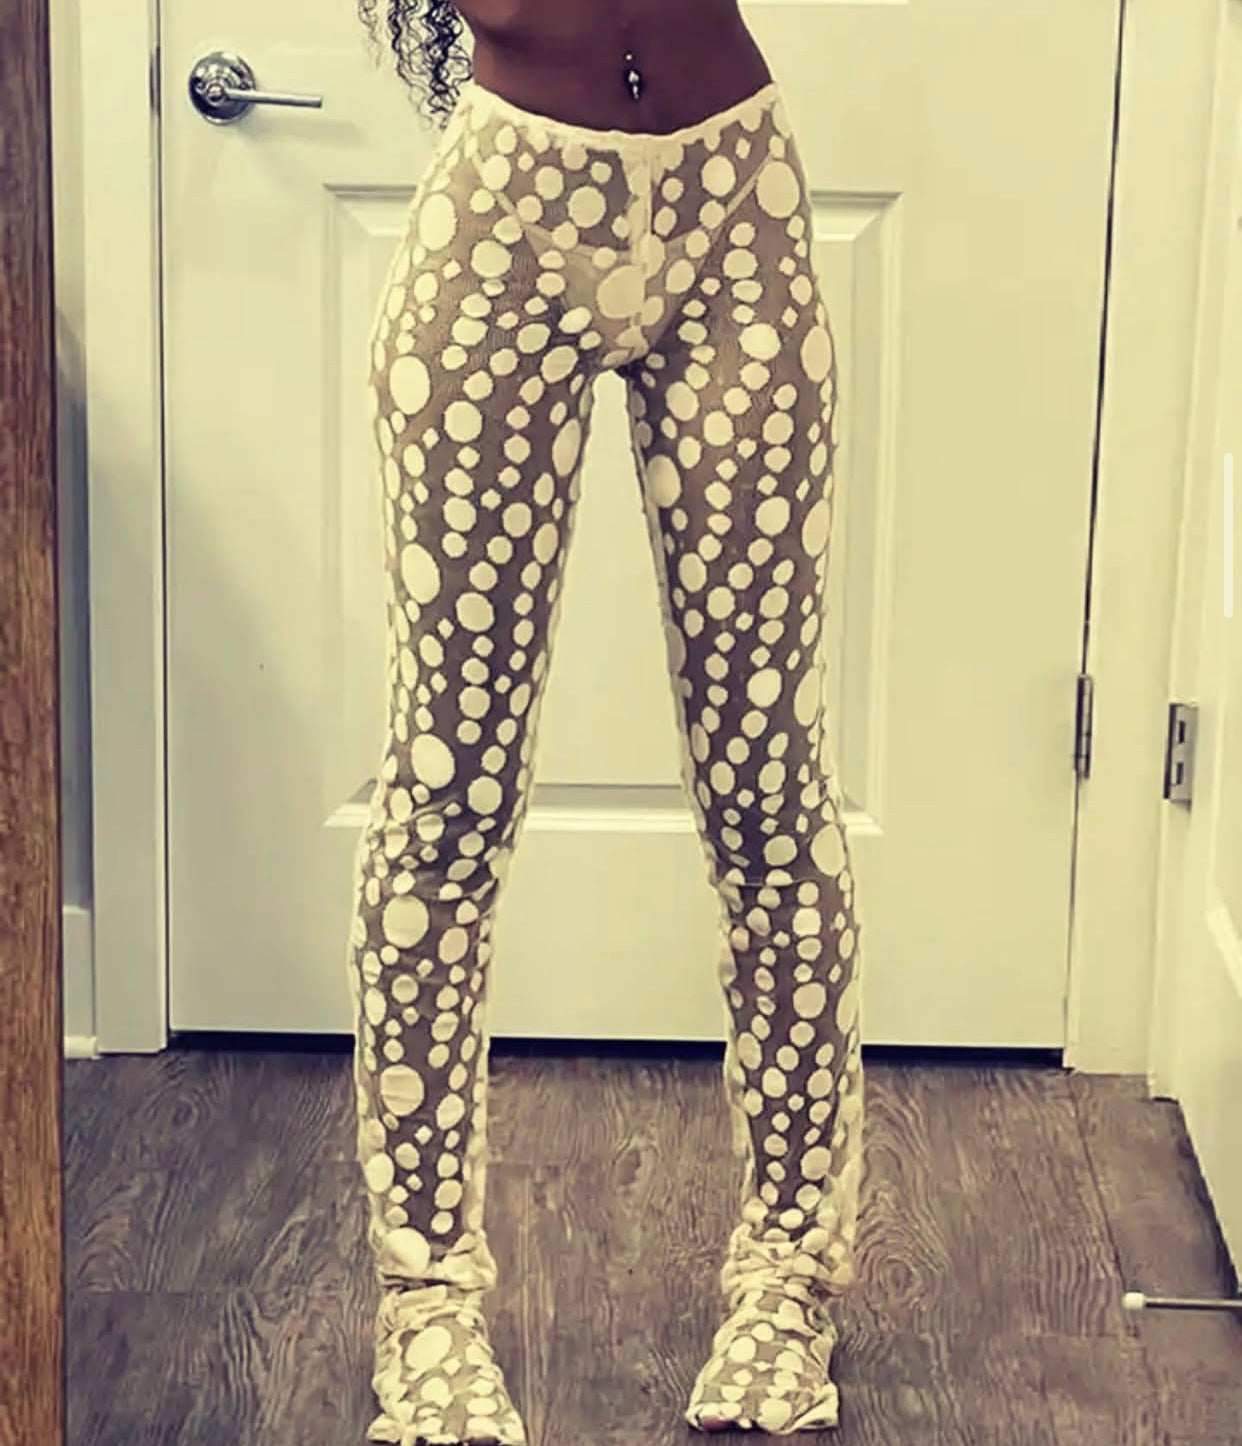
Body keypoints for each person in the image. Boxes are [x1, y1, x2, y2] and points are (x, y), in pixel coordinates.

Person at [347, 1, 865, 1440]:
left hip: (733, 203)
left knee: (769, 794)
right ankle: (425, 1303)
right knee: (444, 799)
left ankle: (789, 1279)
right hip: (501, 213)